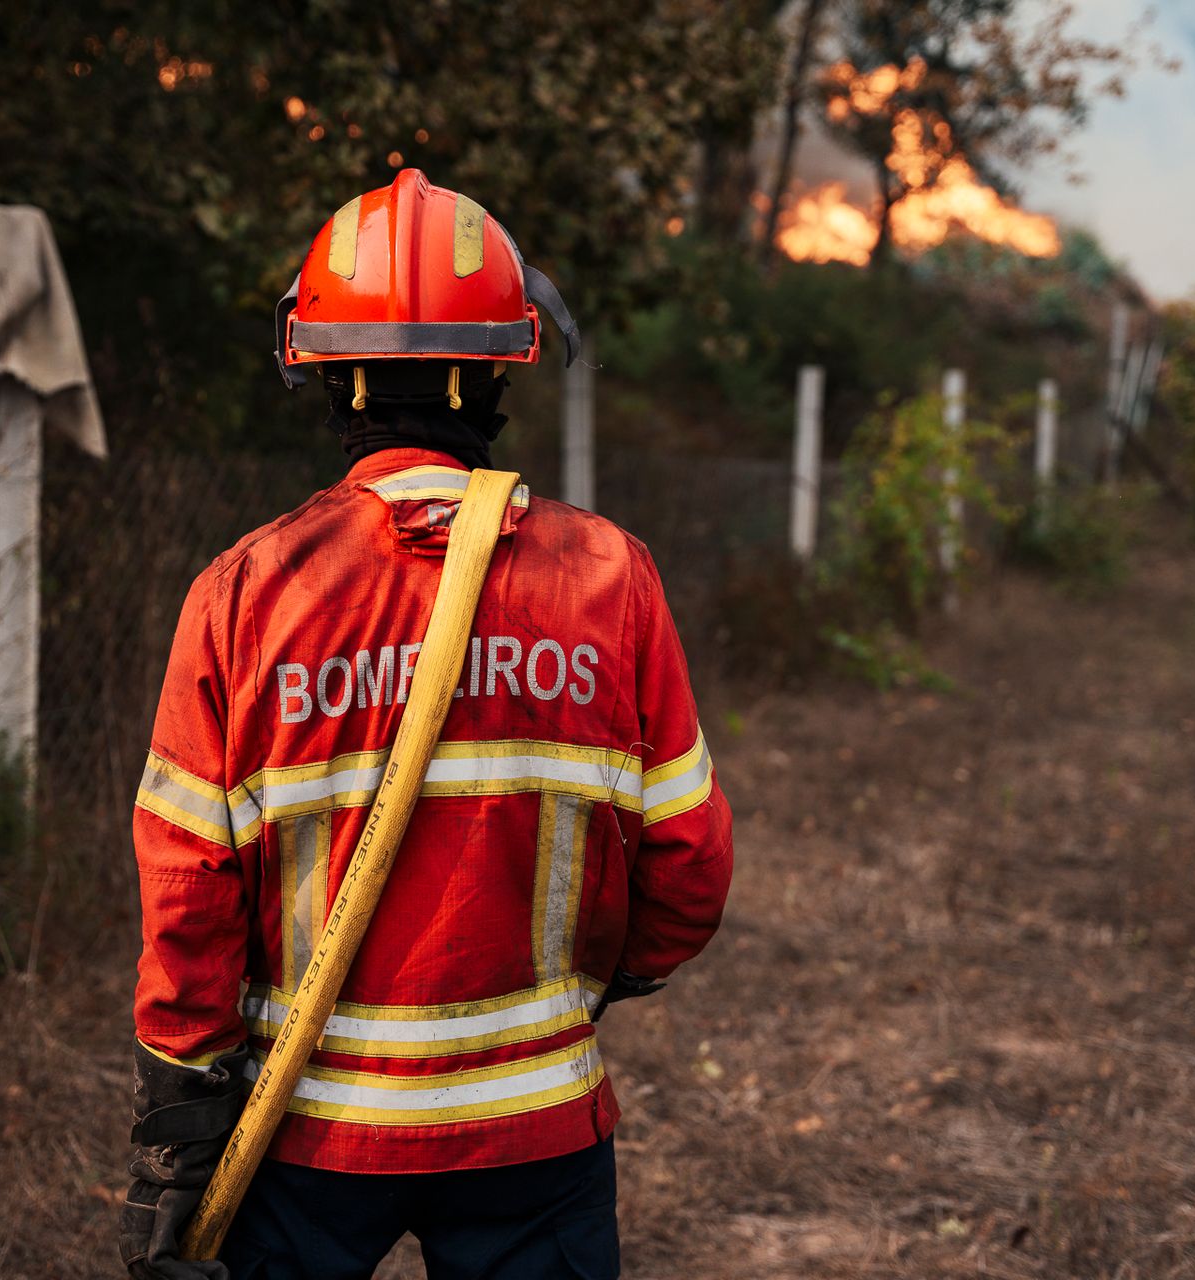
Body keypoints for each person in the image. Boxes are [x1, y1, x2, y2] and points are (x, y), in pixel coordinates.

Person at [117, 170, 734, 1280]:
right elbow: (687, 864)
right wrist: (585, 987)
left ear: (325, 370)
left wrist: (179, 1116)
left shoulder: (247, 591)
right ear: (504, 361)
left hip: (302, 1130)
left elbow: (187, 887)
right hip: (533, 1124)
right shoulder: (609, 578)